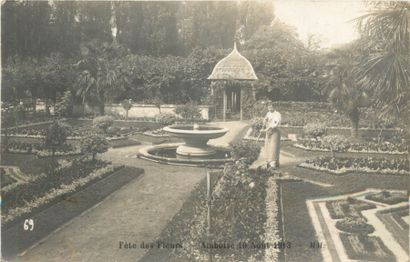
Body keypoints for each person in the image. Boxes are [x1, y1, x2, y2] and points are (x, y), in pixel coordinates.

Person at [262, 104, 281, 168]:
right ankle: (268, 162)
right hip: (268, 132)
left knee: (274, 147)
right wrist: (264, 121)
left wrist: (266, 129)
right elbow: (266, 120)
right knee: (268, 146)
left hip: (275, 132)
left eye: (271, 107)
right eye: (268, 107)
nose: (269, 108)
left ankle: (273, 163)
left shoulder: (277, 114)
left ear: (274, 107)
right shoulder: (268, 113)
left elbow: (274, 124)